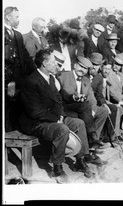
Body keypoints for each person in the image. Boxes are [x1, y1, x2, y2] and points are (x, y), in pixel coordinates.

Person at [19, 49, 105, 183]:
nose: (57, 66)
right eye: (53, 62)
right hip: (36, 123)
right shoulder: (31, 81)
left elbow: (60, 98)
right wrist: (57, 119)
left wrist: (64, 109)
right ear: (44, 63)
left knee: (79, 123)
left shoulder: (50, 78)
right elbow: (35, 112)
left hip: (51, 118)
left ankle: (80, 160)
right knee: (62, 129)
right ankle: (57, 169)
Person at [57, 56, 110, 150]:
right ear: (75, 65)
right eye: (80, 66)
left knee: (103, 111)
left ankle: (92, 141)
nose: (82, 70)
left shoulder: (86, 80)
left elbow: (92, 98)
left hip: (82, 109)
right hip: (66, 107)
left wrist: (93, 110)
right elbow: (62, 97)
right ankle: (91, 139)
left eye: (85, 68)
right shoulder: (64, 76)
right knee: (84, 107)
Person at [4, 6, 36, 132]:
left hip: (20, 80)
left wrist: (37, 73)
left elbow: (26, 57)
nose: (19, 20)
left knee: (18, 111)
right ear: (8, 17)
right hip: (7, 83)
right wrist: (9, 82)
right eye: (16, 17)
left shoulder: (18, 35)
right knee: (7, 112)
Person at [91, 60, 123, 144]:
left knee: (114, 108)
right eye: (105, 68)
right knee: (113, 108)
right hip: (96, 102)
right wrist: (106, 104)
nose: (107, 71)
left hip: (102, 100)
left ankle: (110, 136)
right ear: (101, 68)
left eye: (109, 69)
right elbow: (97, 94)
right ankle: (110, 137)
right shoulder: (98, 78)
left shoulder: (106, 78)